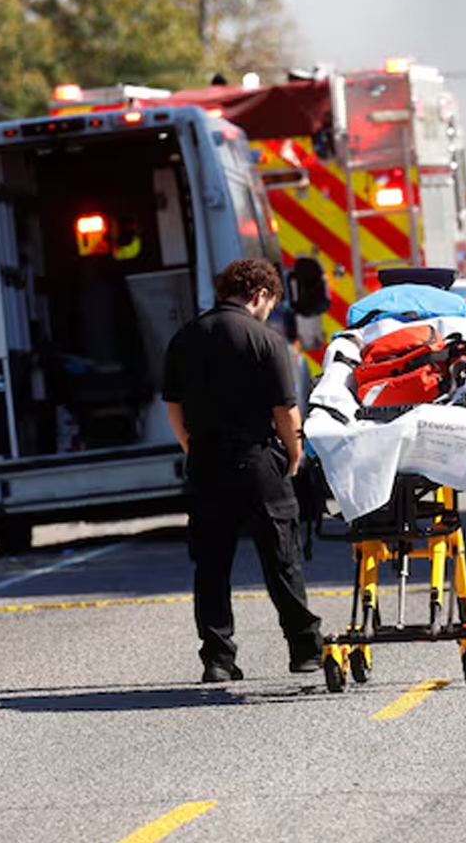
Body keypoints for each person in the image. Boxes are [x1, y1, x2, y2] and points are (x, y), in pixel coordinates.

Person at [162, 258, 322, 683]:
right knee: (281, 556)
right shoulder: (265, 339)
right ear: (261, 294)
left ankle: (217, 658)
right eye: (271, 303)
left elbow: (173, 405)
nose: (269, 312)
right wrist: (295, 454)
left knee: (211, 564)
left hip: (205, 461)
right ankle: (305, 649)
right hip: (257, 460)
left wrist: (192, 447)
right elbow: (285, 410)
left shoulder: (184, 337)